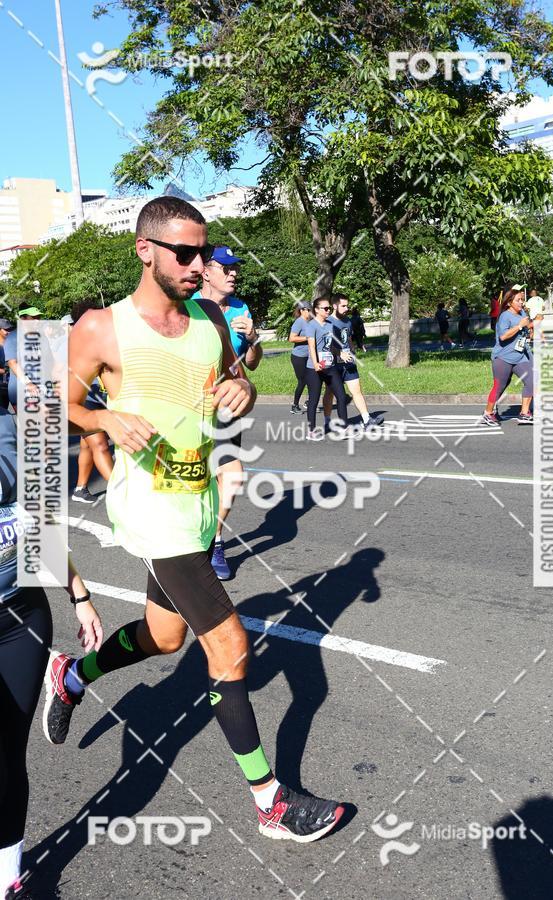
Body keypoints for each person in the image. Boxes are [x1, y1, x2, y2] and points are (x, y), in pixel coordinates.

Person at [46, 196, 343, 844]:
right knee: (230, 645)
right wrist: (102, 418)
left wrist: (244, 390)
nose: (198, 263)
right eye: (185, 252)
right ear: (144, 250)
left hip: (200, 505)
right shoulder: (102, 328)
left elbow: (237, 382)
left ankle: (70, 676)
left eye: (203, 251)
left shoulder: (211, 317)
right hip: (153, 514)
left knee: (164, 638)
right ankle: (270, 802)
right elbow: (53, 403)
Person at [0, 408, 101, 900]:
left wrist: (79, 596)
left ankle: (7, 879)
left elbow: (40, 531)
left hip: (22, 619)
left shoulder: (21, 438)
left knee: (7, 754)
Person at [193, 245, 263, 581]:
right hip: (191, 407)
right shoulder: (188, 307)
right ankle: (188, 544)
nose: (233, 273)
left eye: (235, 268)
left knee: (232, 476)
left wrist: (253, 338)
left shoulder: (240, 307)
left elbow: (251, 363)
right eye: (225, 268)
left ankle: (214, 541)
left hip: (226, 405)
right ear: (206, 272)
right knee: (196, 478)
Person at [67, 302, 115, 503]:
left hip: (99, 398)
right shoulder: (73, 340)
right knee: (101, 446)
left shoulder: (101, 338)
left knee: (87, 446)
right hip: (82, 402)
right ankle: (120, 492)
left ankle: (80, 488)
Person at [482, 285, 541, 426]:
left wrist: (533, 324)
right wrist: (520, 326)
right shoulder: (504, 316)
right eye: (518, 300)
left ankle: (524, 413)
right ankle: (488, 413)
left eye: (522, 300)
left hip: (520, 355)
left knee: (532, 380)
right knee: (499, 386)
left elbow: (525, 330)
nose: (522, 302)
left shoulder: (521, 314)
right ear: (509, 302)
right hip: (503, 357)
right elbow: (503, 337)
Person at [322, 294, 384, 428]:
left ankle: (367, 420)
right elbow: (325, 344)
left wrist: (353, 348)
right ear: (334, 306)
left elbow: (348, 338)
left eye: (347, 305)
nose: (346, 308)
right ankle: (327, 421)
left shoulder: (348, 321)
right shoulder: (327, 322)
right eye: (343, 306)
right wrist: (339, 353)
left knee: (357, 390)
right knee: (330, 392)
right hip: (333, 364)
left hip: (348, 362)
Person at [305, 297, 349, 441]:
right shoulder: (311, 325)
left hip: (330, 367)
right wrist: (315, 362)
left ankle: (343, 429)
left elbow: (331, 345)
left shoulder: (330, 325)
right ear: (317, 310)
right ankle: (311, 431)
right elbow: (311, 346)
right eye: (325, 308)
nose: (328, 310)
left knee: (342, 396)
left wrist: (340, 353)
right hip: (314, 369)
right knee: (314, 399)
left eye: (329, 308)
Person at [4, 303, 44, 413]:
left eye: (38, 317)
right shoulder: (13, 337)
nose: (38, 321)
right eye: (33, 318)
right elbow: (12, 363)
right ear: (23, 319)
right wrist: (29, 383)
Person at [289, 302, 312, 413]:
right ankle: (294, 405)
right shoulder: (299, 322)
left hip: (309, 356)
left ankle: (308, 402)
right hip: (298, 357)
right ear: (302, 310)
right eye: (308, 309)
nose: (310, 311)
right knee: (302, 381)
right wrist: (307, 338)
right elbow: (292, 338)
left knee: (313, 379)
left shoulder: (309, 322)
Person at [0, 321, 14, 411]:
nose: (9, 332)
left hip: (14, 387)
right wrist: (7, 370)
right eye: (6, 329)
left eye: (10, 329)